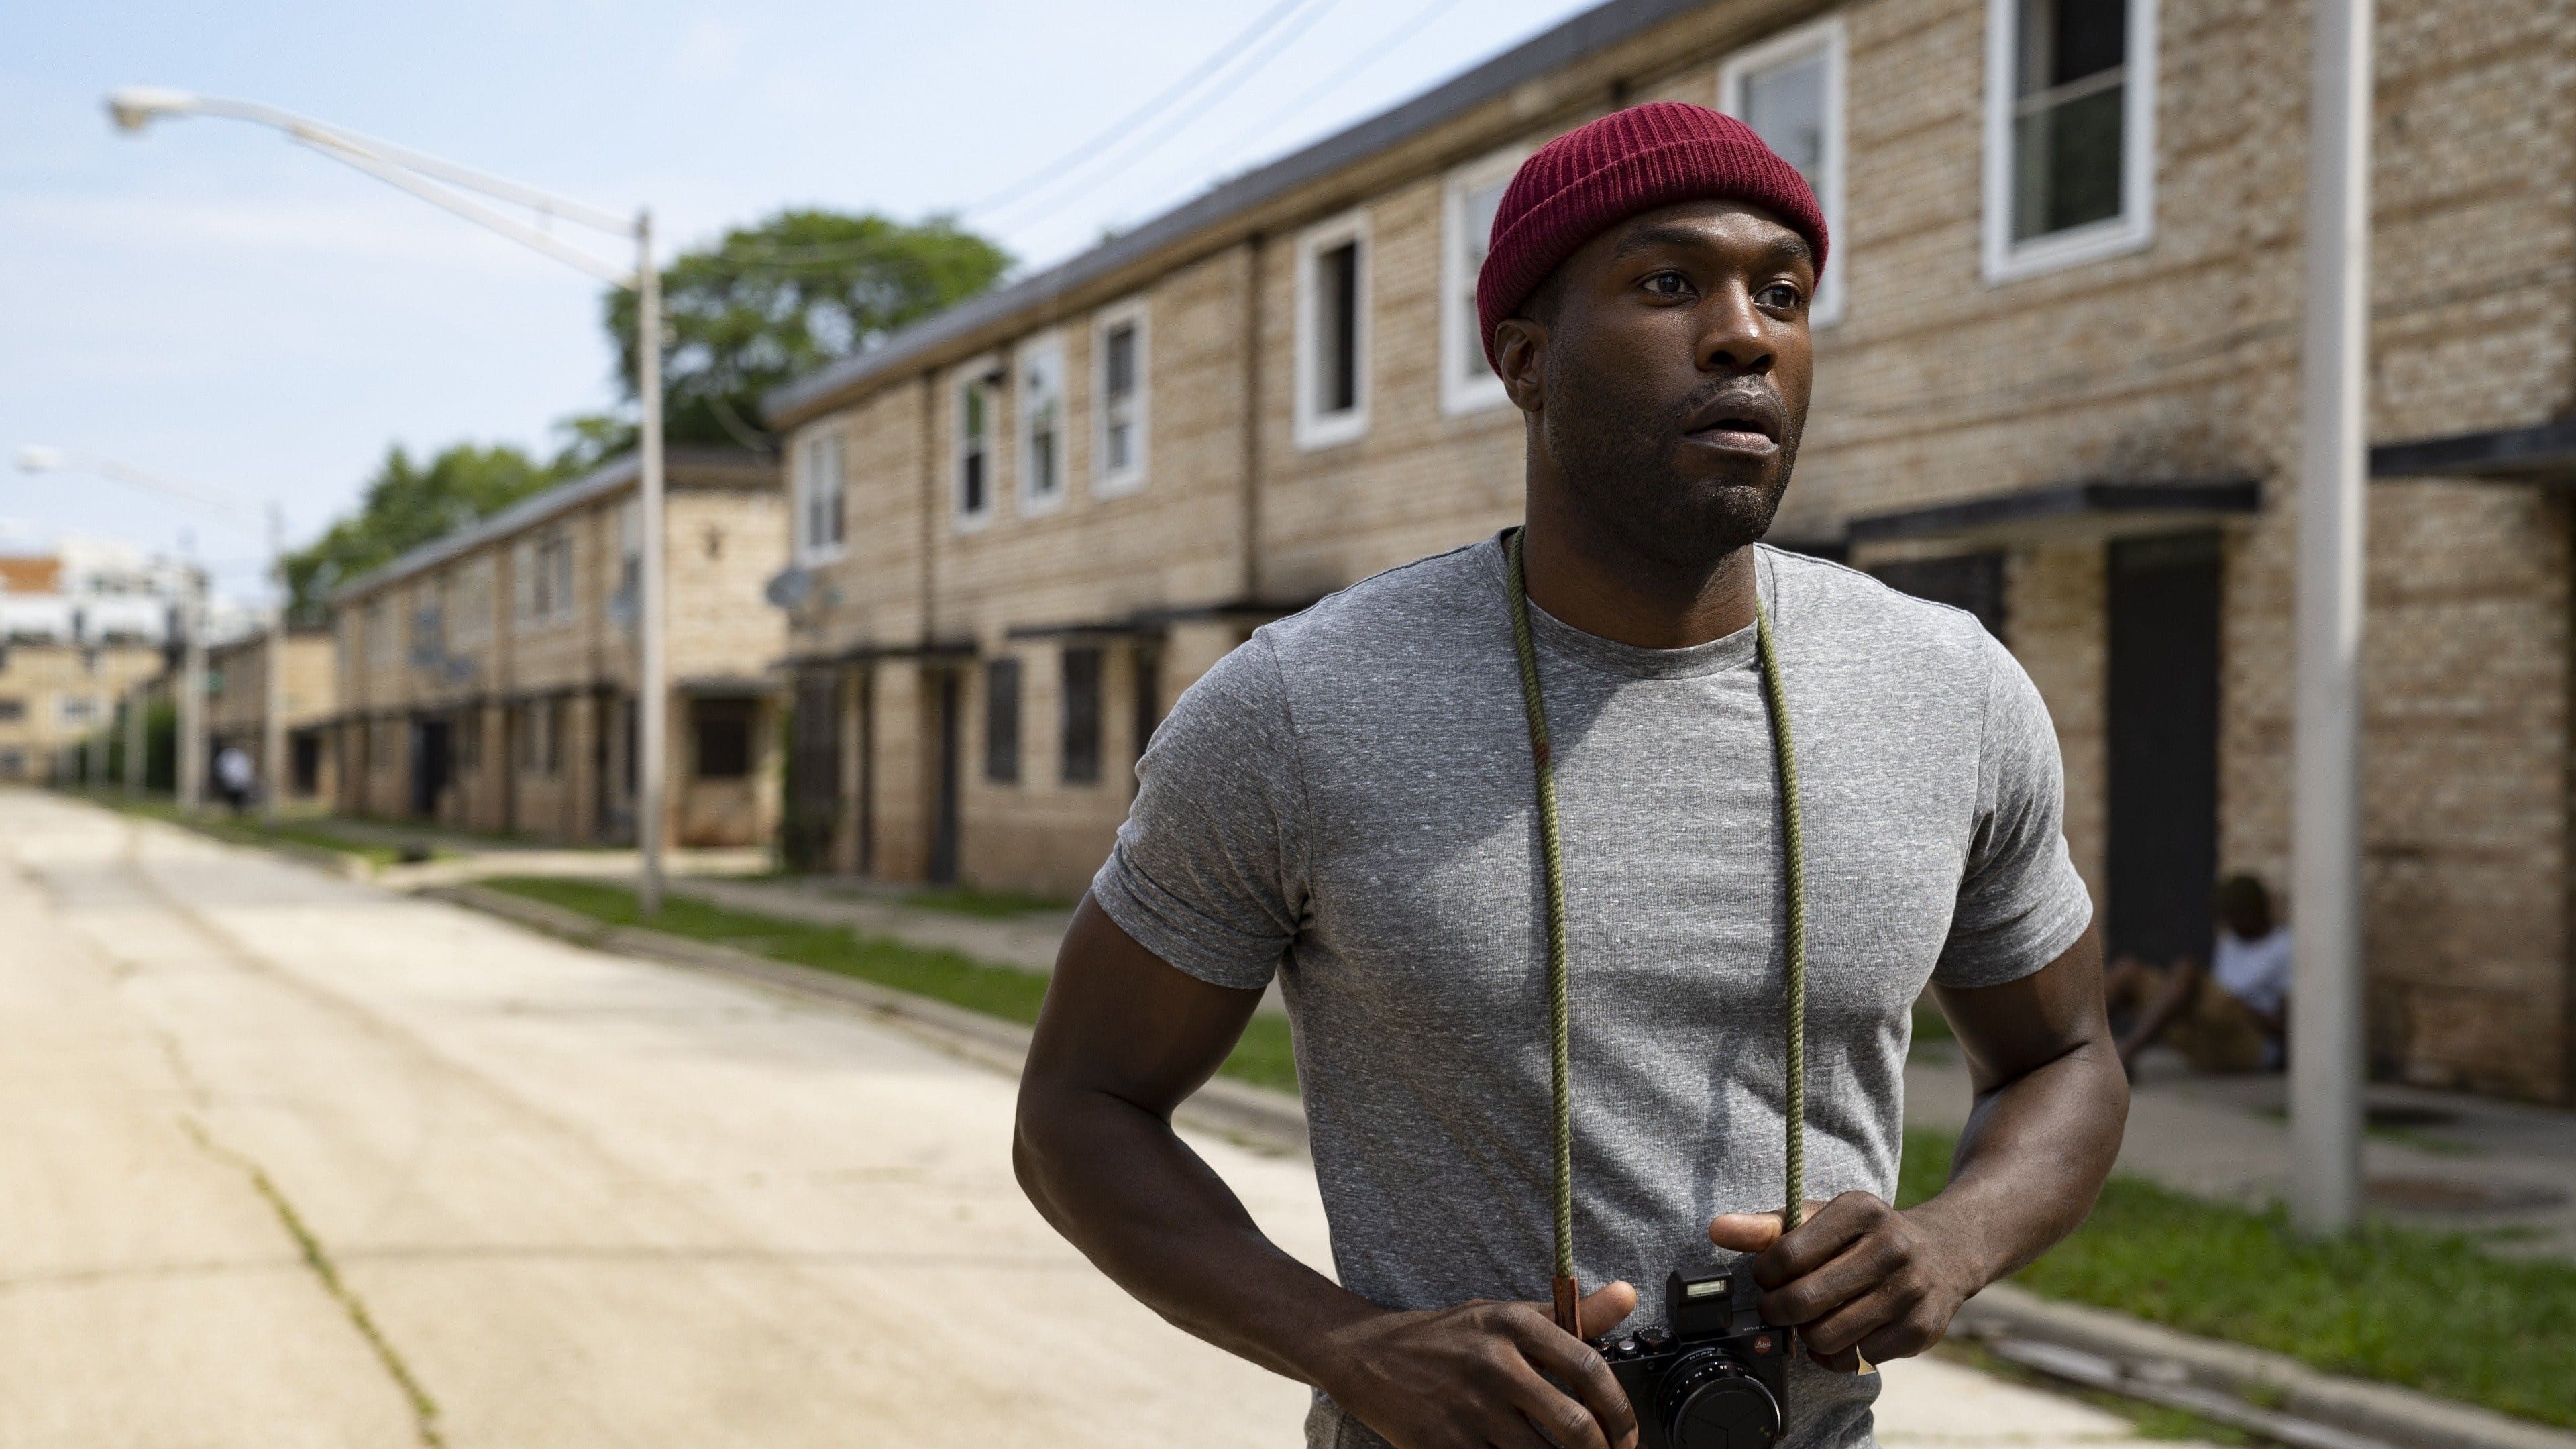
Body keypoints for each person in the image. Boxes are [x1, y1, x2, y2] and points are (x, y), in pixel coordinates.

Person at [1013, 103, 2129, 1449]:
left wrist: (1952, 1242)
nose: (1746, 334)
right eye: (1669, 284)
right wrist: (1353, 1347)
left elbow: (2066, 1056)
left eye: (1783, 293)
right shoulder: (1304, 707)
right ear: (1527, 362)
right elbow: (1081, 1110)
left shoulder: (1950, 692)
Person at [2106, 875, 2290, 1075]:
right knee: (2128, 971)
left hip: (2251, 1042)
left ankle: (2124, 1057)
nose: (2228, 924)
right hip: (2209, 1032)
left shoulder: (2285, 947)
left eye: (2234, 918)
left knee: (2187, 971)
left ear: (2254, 914)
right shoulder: (2229, 941)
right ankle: (2072, 1051)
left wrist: (2242, 1008)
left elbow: (2288, 1028)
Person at [213, 743, 254, 815]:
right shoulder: (228, 756)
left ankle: (238, 811)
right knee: (233, 799)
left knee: (238, 799)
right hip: (231, 783)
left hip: (239, 783)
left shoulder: (239, 756)